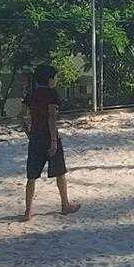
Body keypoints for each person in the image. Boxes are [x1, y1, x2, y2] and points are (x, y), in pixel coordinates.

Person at [21, 63, 80, 221]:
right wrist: (54, 140)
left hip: (35, 138)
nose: (56, 80)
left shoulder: (32, 94)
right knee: (60, 173)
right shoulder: (52, 94)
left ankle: (28, 211)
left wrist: (29, 133)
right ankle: (65, 205)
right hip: (49, 137)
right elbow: (51, 117)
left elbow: (21, 116)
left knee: (31, 176)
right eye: (55, 77)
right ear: (49, 79)